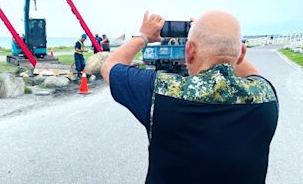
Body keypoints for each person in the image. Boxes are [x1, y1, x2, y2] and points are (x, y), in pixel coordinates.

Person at [101, 11, 279, 184]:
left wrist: (143, 36)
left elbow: (109, 66)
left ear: (190, 50)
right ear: (242, 53)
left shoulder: (161, 90)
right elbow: (252, 74)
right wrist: (225, 45)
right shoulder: (265, 95)